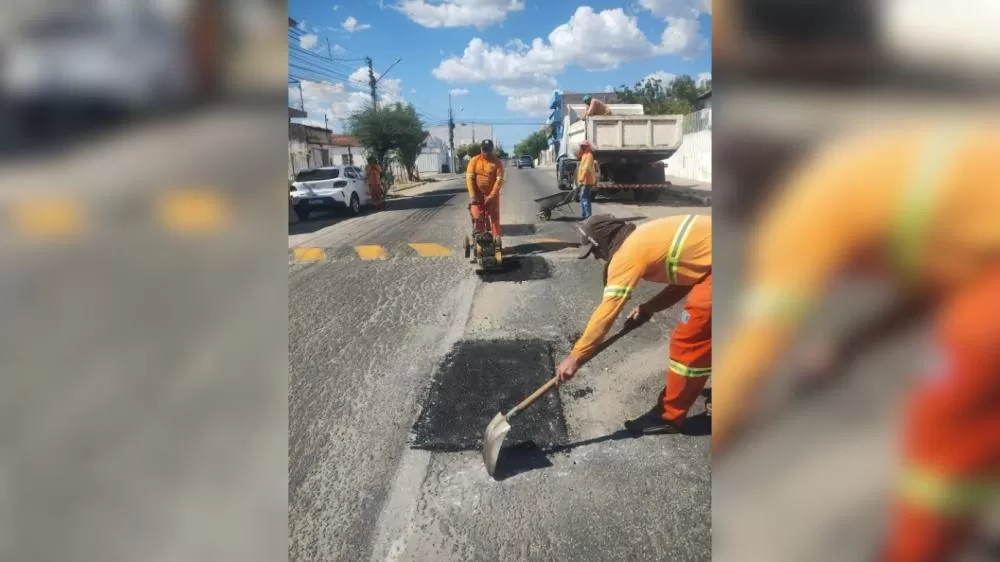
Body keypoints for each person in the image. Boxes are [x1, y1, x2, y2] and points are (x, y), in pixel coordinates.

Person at [711, 124, 1000, 561]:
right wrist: (851, 345)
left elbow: (753, 353)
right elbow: (942, 280)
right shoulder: (856, 169)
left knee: (942, 435)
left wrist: (718, 438)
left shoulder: (800, 215)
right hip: (986, 273)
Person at [555, 213, 713, 434]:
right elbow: (689, 277)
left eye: (595, 251)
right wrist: (649, 308)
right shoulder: (643, 237)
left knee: (689, 339)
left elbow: (607, 312)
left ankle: (669, 415)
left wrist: (576, 356)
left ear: (602, 242)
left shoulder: (627, 254)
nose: (597, 258)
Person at [465, 139, 505, 242]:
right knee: (478, 220)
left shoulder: (497, 162)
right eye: (484, 149)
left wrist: (491, 196)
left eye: (489, 150)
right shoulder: (474, 161)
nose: (486, 152)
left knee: (495, 220)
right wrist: (472, 195)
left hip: (492, 196)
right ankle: (480, 242)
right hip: (477, 196)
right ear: (481, 149)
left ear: (492, 150)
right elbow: (469, 178)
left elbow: (499, 181)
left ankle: (496, 242)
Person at [576, 140, 597, 219]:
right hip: (584, 180)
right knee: (583, 197)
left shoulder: (589, 155)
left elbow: (586, 168)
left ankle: (587, 216)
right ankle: (584, 215)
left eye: (583, 146)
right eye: (581, 146)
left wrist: (581, 178)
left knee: (584, 197)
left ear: (587, 147)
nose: (582, 147)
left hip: (586, 180)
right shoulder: (584, 155)